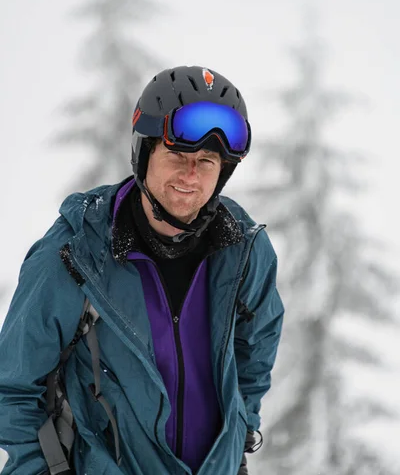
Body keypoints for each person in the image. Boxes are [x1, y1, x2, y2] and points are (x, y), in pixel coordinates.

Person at [0, 65, 284, 475]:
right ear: (144, 151)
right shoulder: (75, 254)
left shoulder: (244, 251)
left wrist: (238, 438)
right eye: (177, 155)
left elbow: (255, 357)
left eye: (207, 161)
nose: (191, 175)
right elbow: (12, 387)